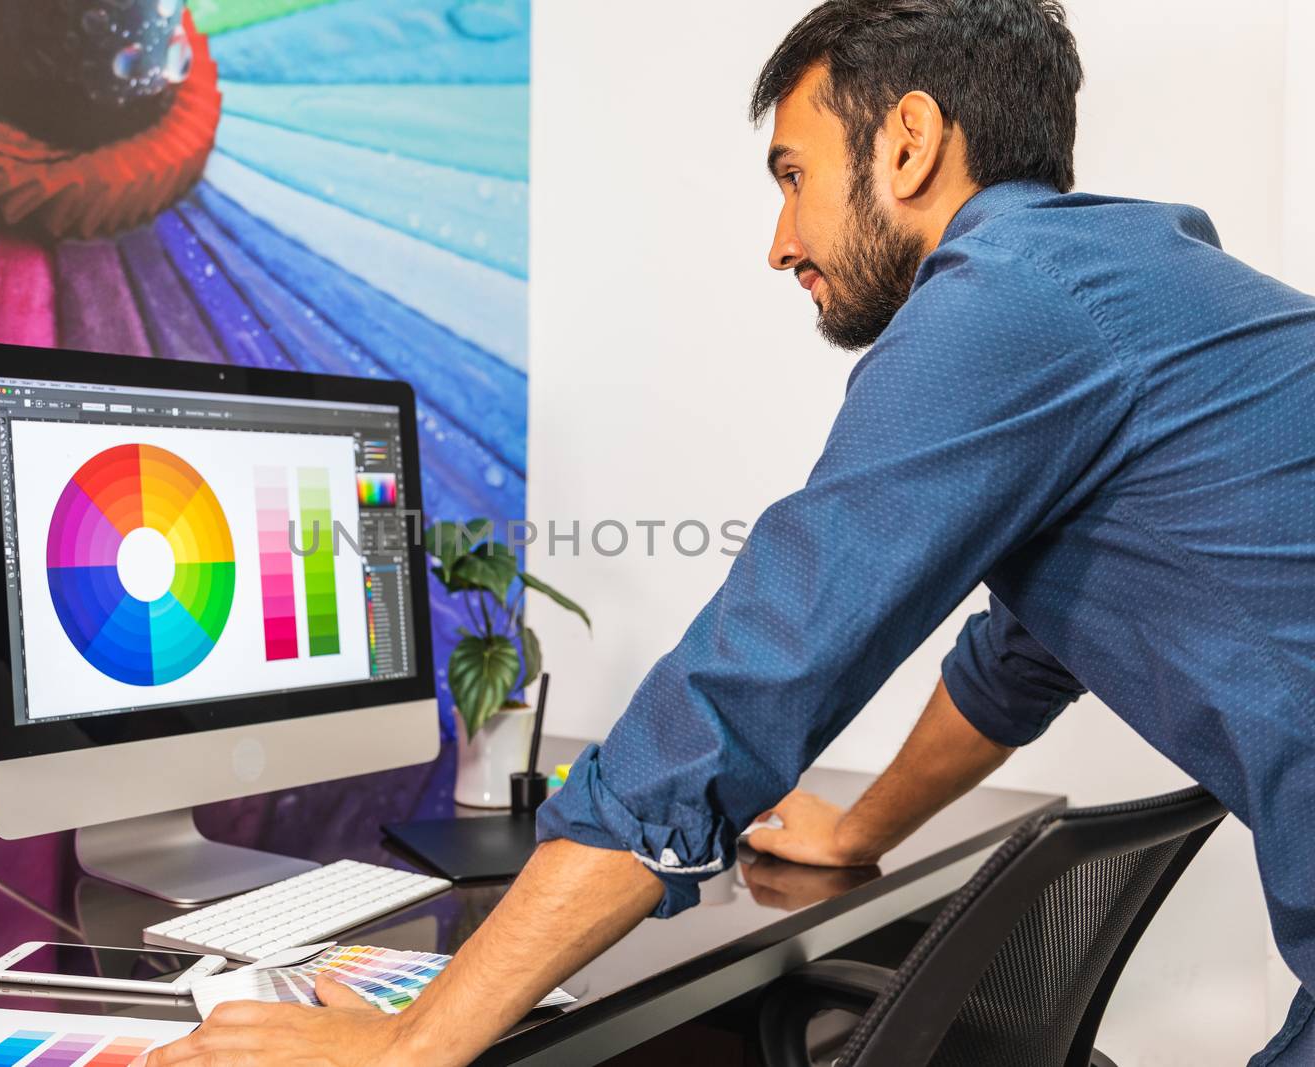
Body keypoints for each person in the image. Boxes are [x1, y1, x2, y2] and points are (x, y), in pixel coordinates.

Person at [139, 1, 1315, 1063]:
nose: (780, 240)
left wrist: (413, 1042)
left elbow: (742, 682)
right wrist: (859, 824)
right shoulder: (1123, 286)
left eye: (793, 174)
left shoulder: (1009, 299)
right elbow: (1024, 656)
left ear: (907, 142)